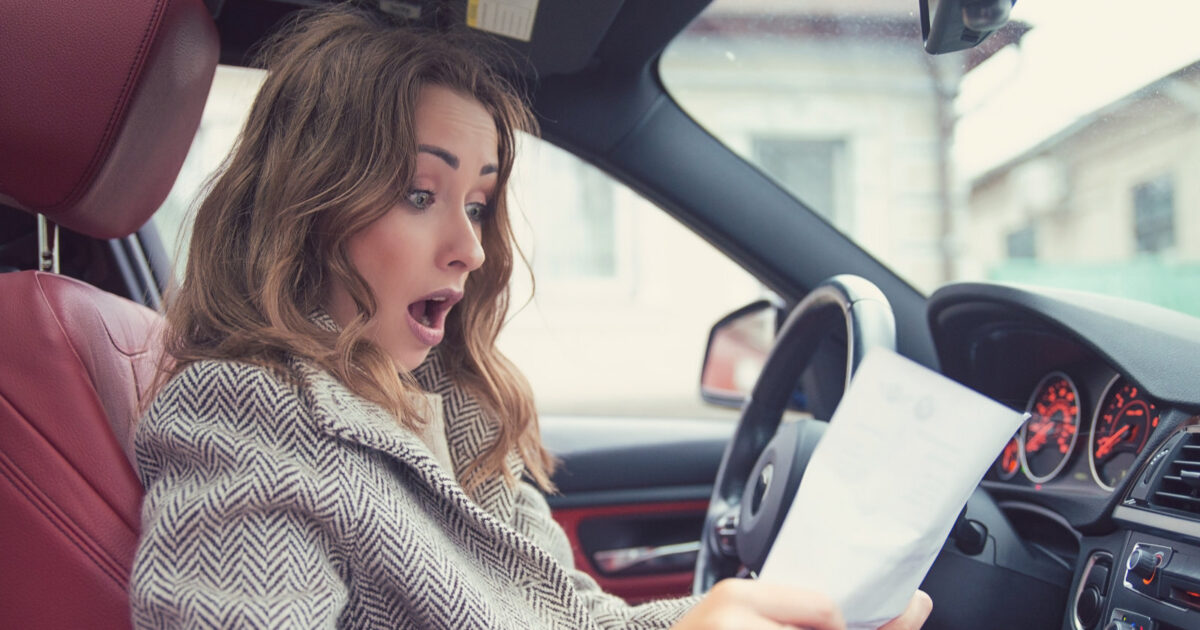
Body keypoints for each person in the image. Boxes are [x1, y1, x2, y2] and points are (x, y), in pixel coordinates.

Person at [130, 6, 932, 629]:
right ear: (306, 208)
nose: (470, 251)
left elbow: (578, 620)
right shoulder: (248, 412)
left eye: (477, 205)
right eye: (420, 195)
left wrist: (769, 612)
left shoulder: (452, 414)